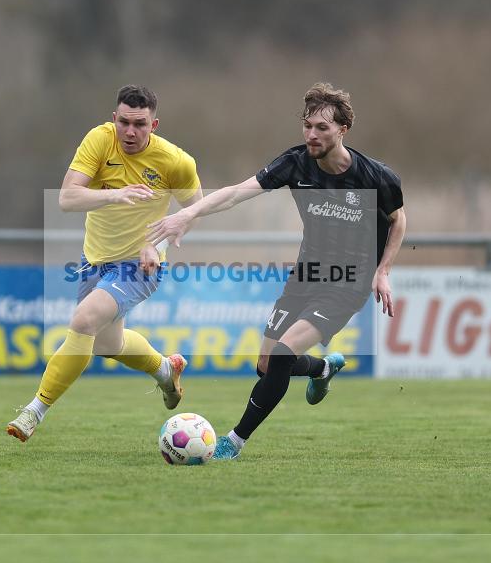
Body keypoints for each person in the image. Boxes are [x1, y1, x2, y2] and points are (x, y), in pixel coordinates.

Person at [147, 82, 405, 459]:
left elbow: (398, 221)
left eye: (322, 128)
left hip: (348, 281)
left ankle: (233, 442)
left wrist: (383, 270)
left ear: (342, 130)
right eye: (307, 126)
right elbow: (236, 192)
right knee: (266, 365)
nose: (311, 134)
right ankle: (320, 370)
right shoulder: (295, 163)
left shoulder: (375, 176)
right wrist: (187, 213)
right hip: (307, 274)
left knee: (283, 354)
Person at [7, 85, 204, 442]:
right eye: (124, 122)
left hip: (140, 264)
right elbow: (67, 198)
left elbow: (195, 209)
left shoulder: (176, 161)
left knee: (83, 321)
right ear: (114, 119)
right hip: (94, 260)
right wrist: (117, 193)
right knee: (107, 345)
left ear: (154, 124)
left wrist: (155, 242)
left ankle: (34, 410)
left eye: (140, 124)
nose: (130, 131)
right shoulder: (99, 140)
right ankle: (164, 369)